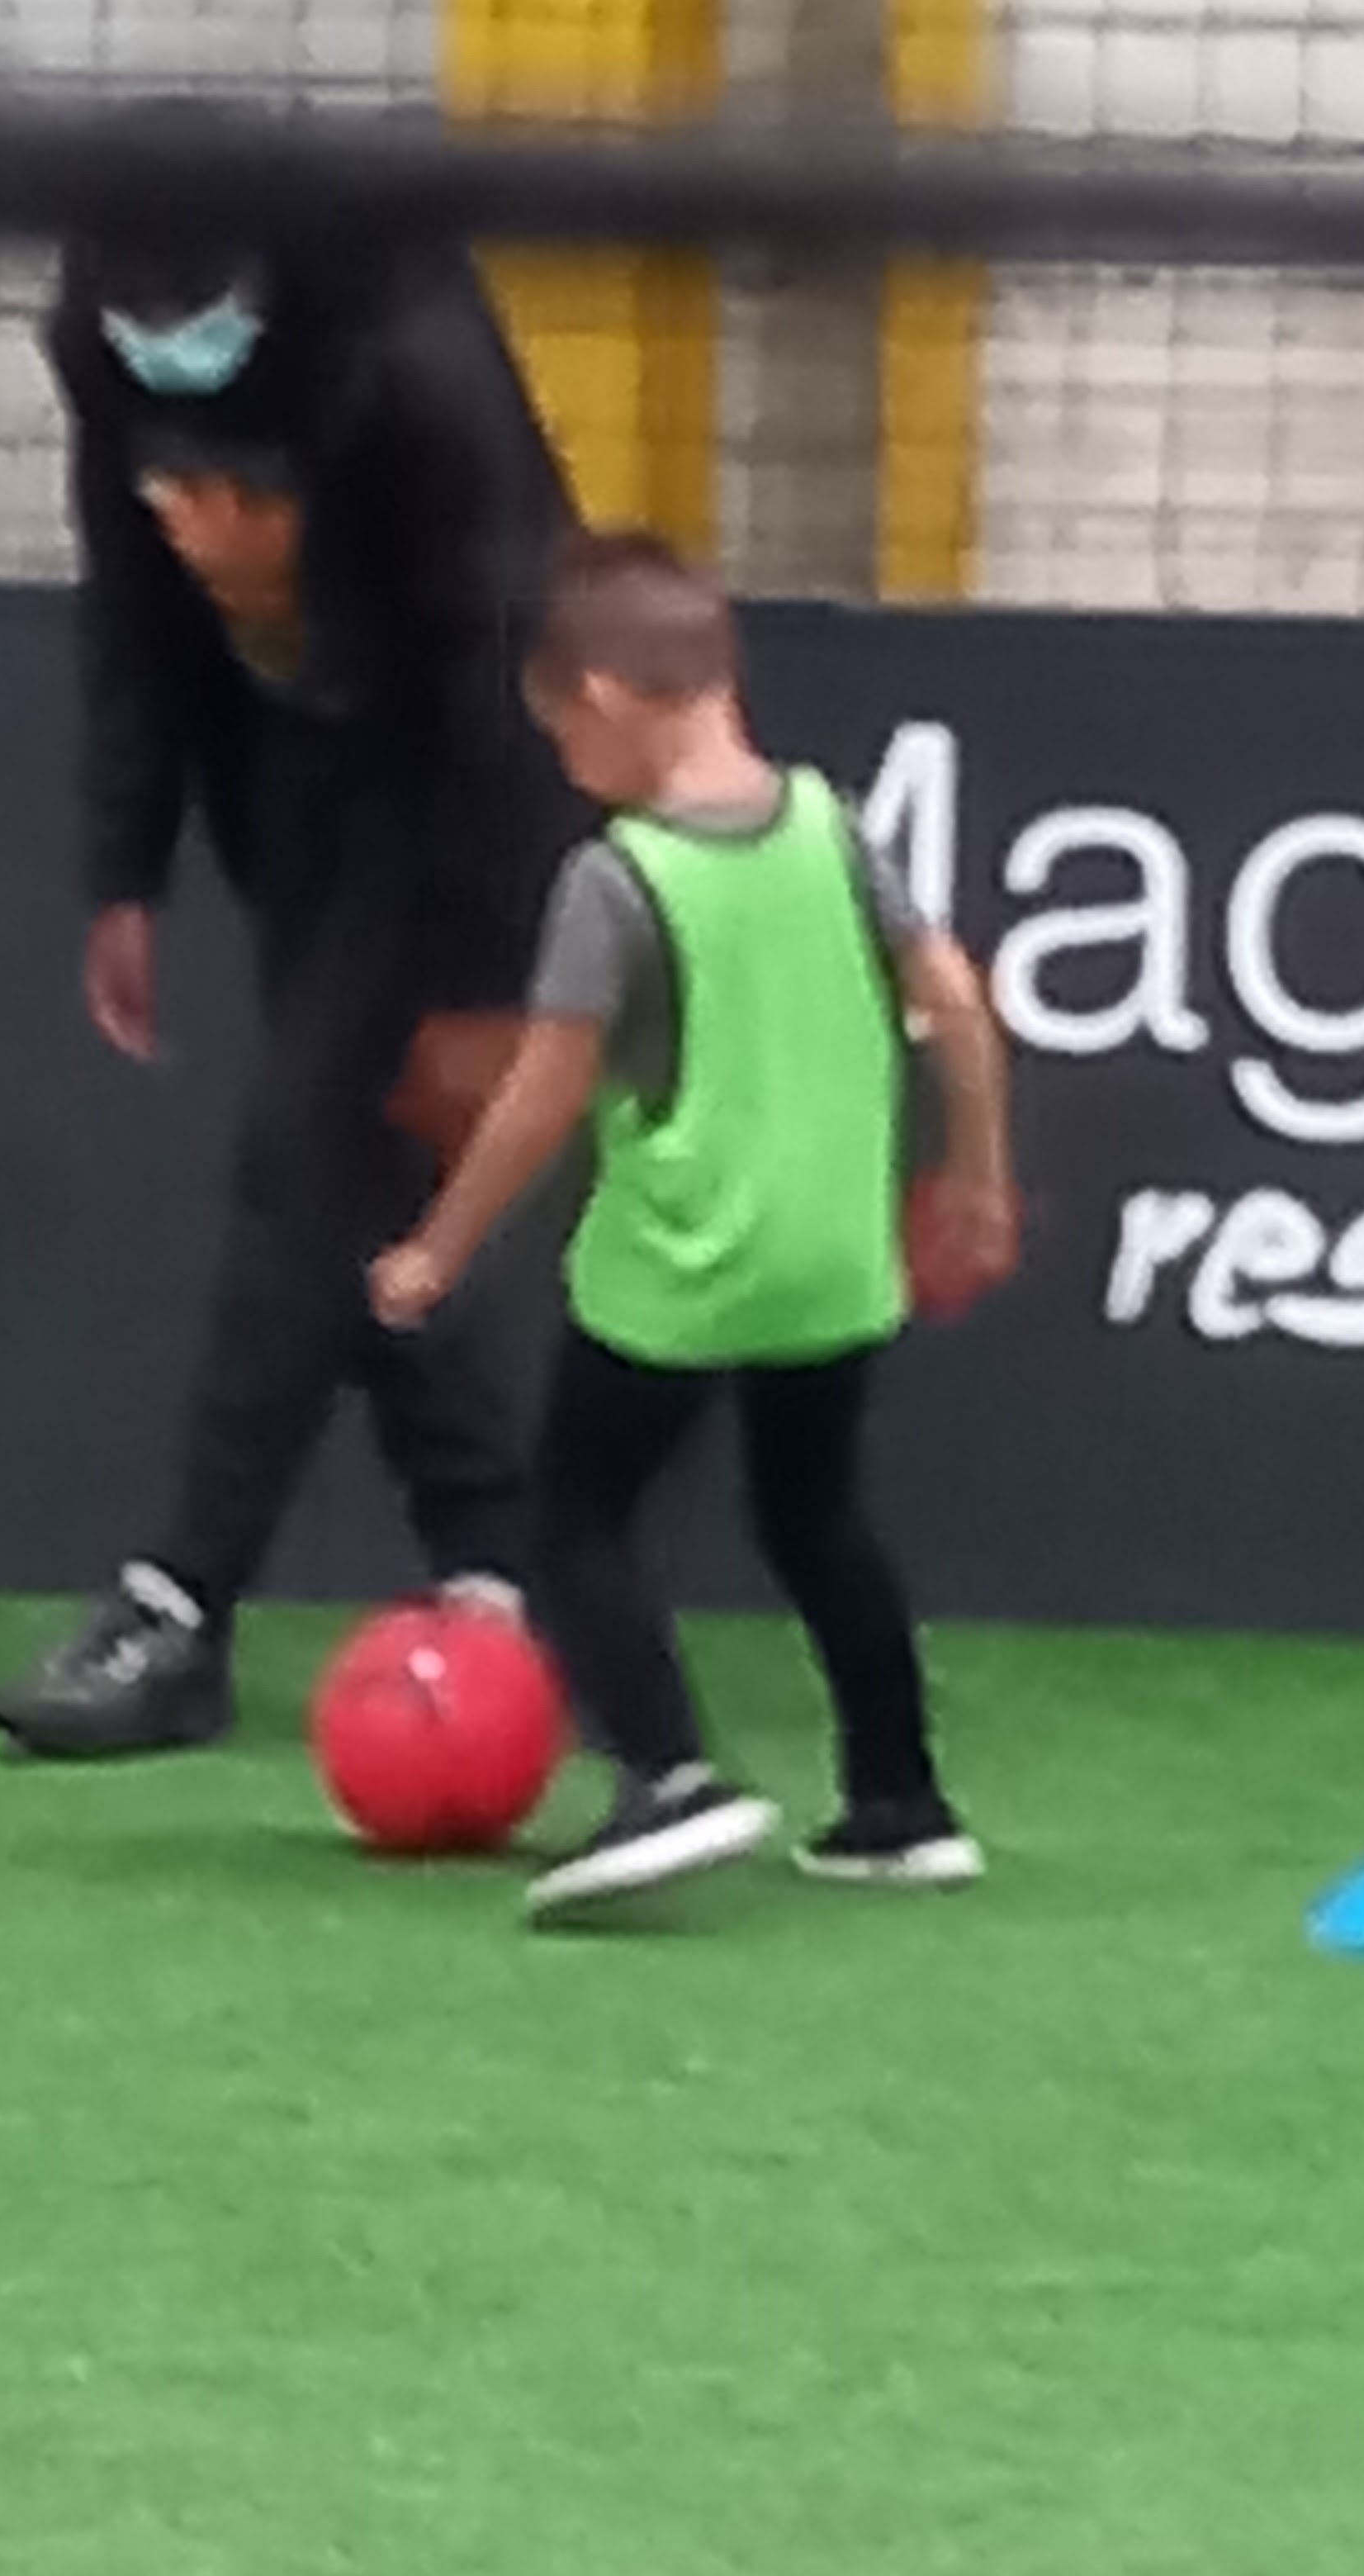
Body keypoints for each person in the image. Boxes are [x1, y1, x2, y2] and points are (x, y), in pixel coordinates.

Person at [0, 224, 585, 1759]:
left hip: (458, 762)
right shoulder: (96, 330)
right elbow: (131, 597)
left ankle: (181, 1605)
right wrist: (125, 865)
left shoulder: (409, 366)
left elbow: (487, 653)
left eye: (194, 321)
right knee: (356, 1180)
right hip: (280, 751)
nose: (163, 351)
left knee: (308, 1156)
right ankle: (501, 1563)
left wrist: (478, 967)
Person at [369, 528, 1018, 1920]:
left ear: (606, 699)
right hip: (833, 1262)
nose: (564, 766)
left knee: (572, 1516)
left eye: (562, 736)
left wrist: (440, 1244)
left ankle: (666, 1775)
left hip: (683, 1268)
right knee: (816, 1517)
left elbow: (542, 1095)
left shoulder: (618, 879)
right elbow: (955, 1002)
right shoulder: (832, 826)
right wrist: (978, 1177)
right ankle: (899, 1806)